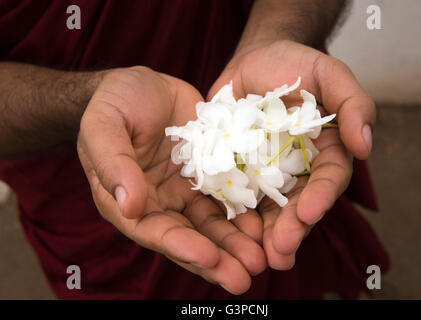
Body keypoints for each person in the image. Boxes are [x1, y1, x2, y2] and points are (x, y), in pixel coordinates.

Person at [0, 0, 389, 299]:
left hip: (247, 74)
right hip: (82, 192)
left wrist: (274, 35)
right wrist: (89, 100)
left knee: (295, 258)